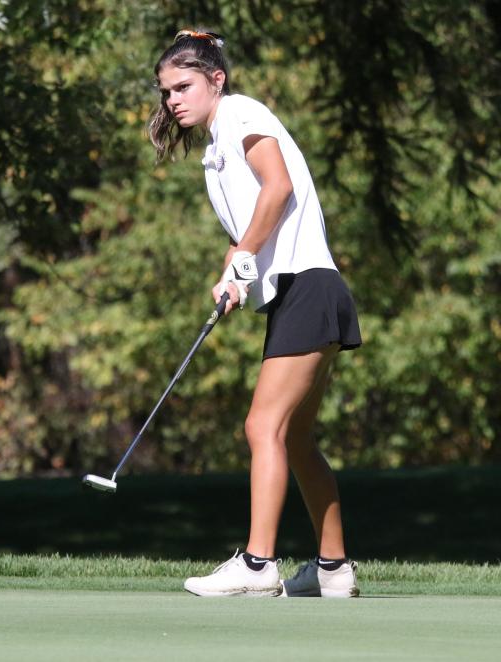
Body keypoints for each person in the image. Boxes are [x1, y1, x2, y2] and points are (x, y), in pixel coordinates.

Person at [148, 29, 362, 598]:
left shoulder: (241, 112)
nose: (173, 100)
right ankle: (334, 569)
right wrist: (232, 275)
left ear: (216, 80)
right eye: (167, 91)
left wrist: (243, 258)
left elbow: (279, 188)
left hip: (309, 286)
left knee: (261, 426)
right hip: (305, 291)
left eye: (184, 86)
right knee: (294, 439)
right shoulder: (215, 154)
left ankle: (257, 563)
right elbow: (250, 229)